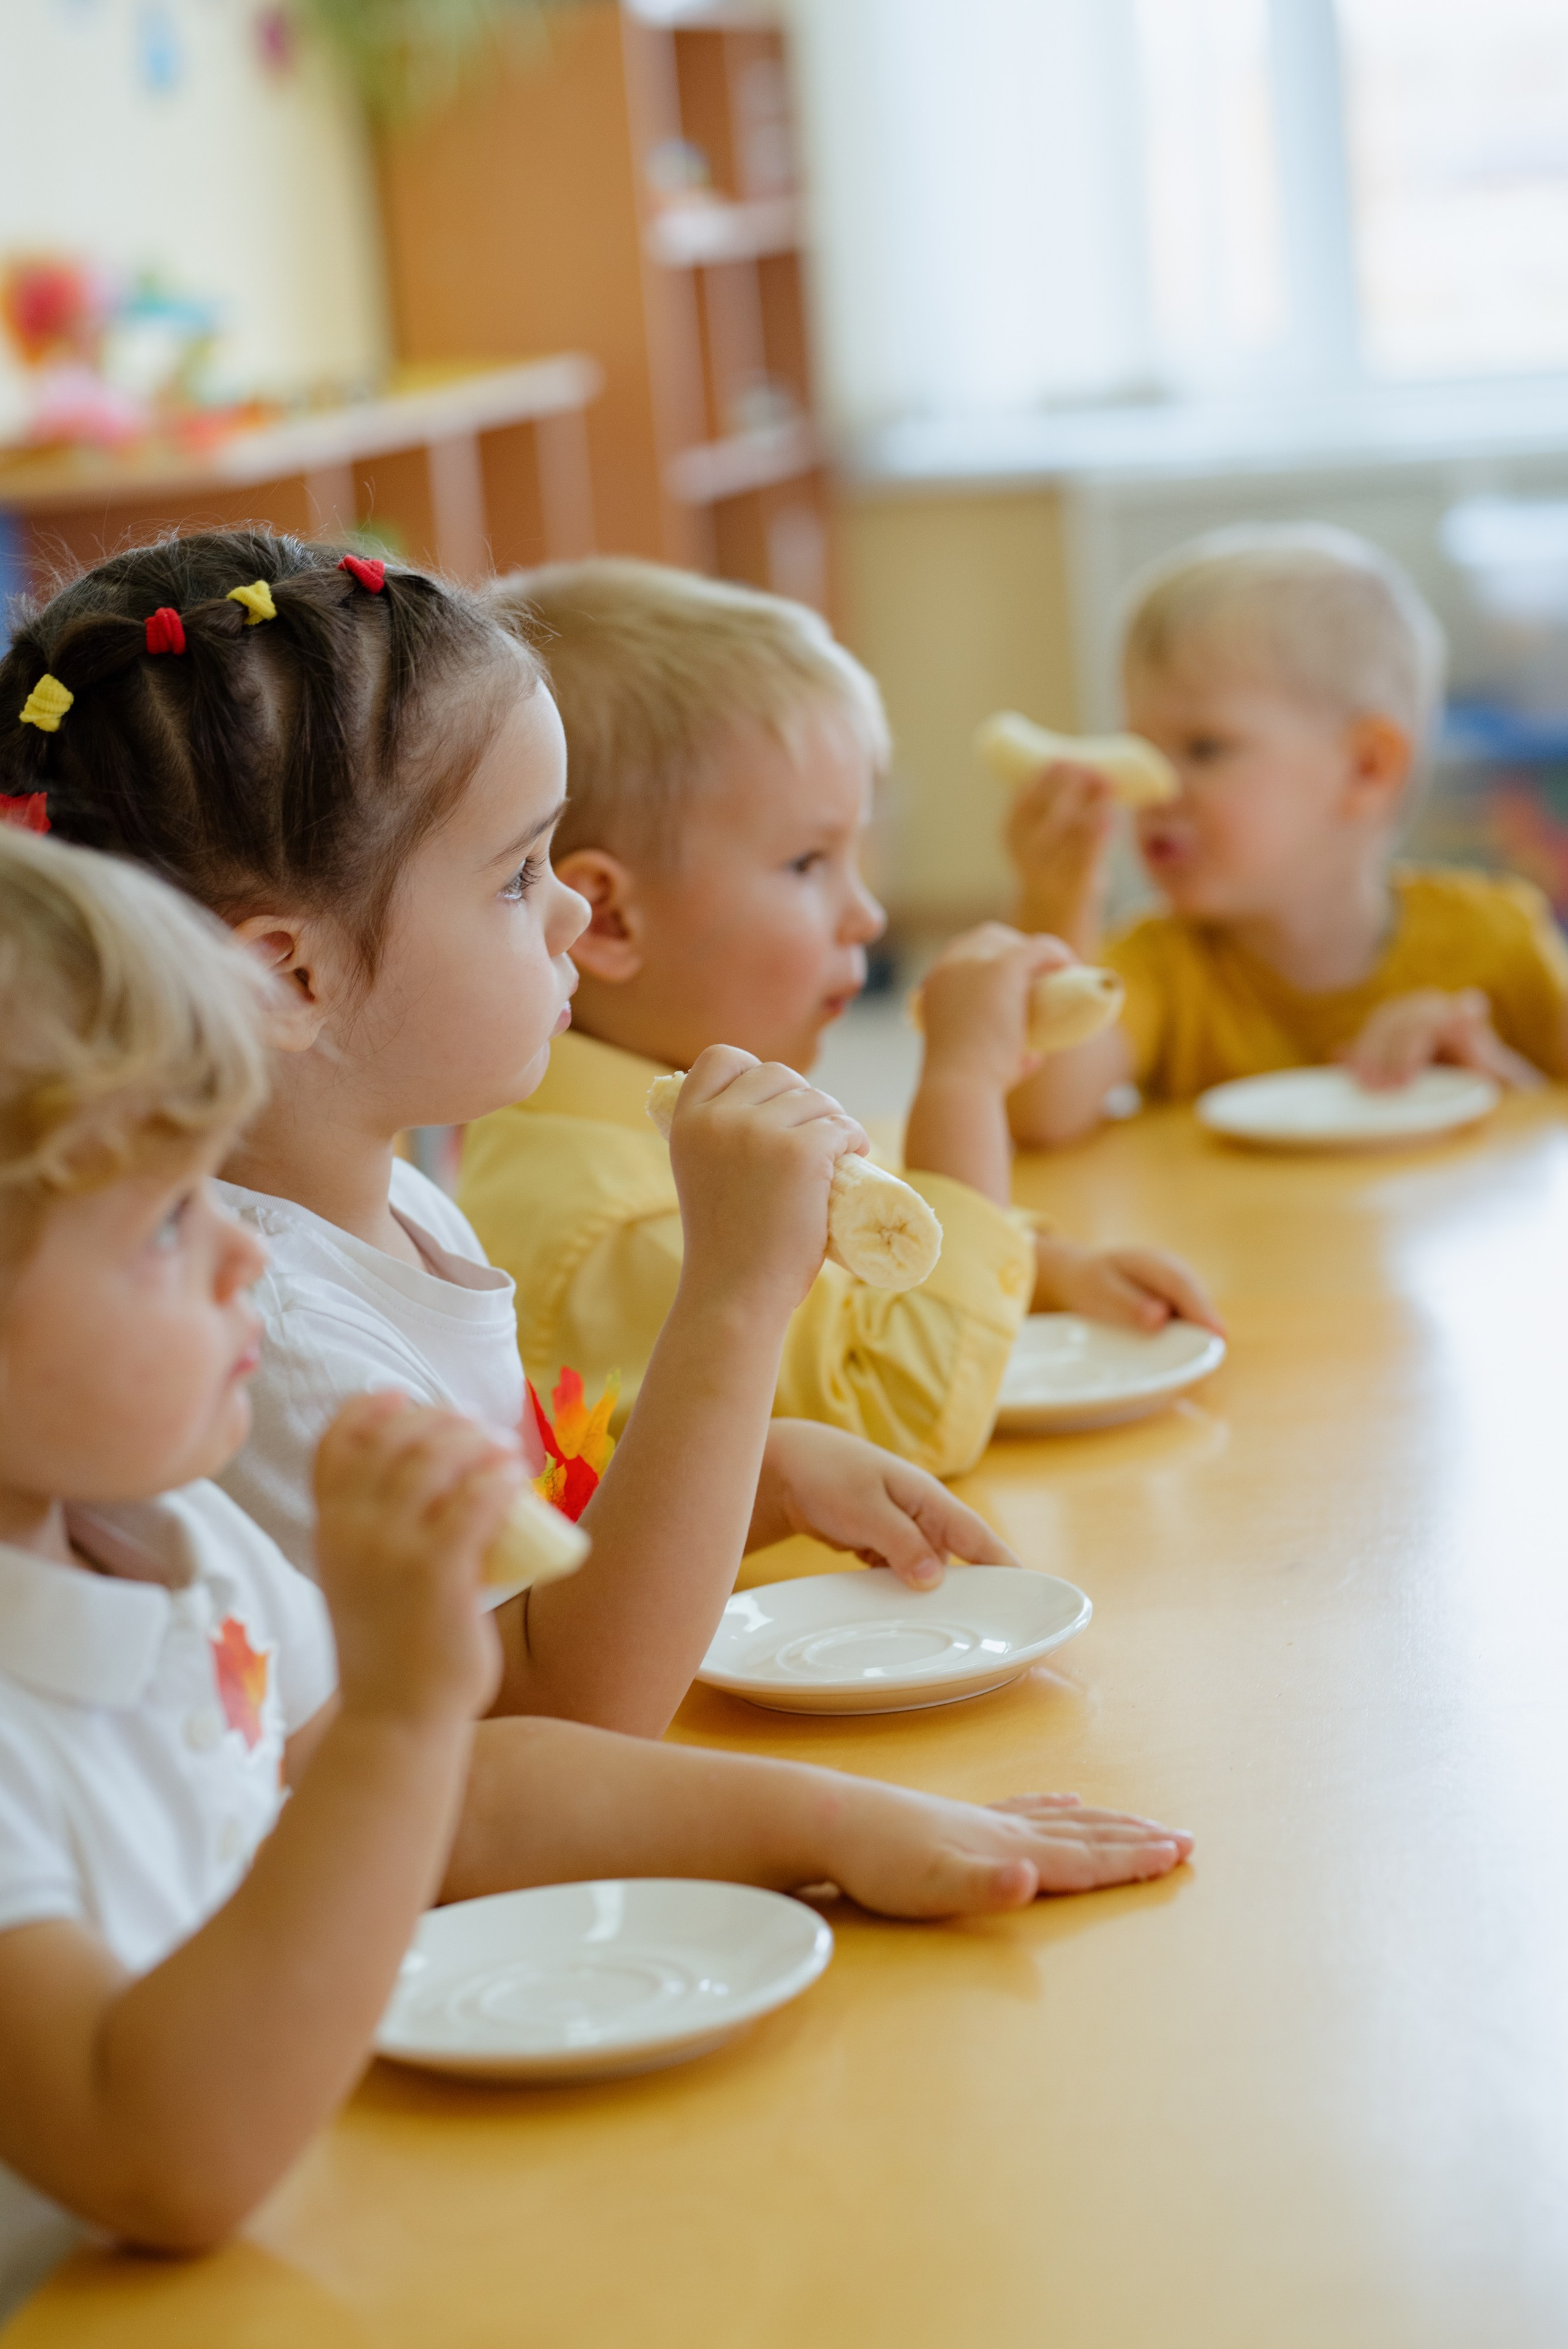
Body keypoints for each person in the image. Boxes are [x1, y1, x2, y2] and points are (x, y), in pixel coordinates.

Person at [0, 824, 1194, 2311]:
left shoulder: (184, 1549)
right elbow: (162, 2153)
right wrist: (397, 1714)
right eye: (167, 1219)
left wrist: (833, 1822)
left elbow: (461, 1796)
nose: (244, 1253)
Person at [0, 530, 1019, 1743]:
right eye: (516, 875)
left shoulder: (396, 1198)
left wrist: (766, 1472)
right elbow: (554, 1702)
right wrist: (734, 1300)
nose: (574, 910)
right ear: (285, 979)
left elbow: (530, 1538)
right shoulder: (274, 1331)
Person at [459, 560, 1218, 1480]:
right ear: (610, 919)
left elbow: (845, 1260)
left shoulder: (707, 1112)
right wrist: (963, 1083)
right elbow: (907, 1410)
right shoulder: (621, 1223)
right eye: (809, 862)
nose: (865, 913)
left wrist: (1045, 1266)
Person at [1004, 524, 1568, 1147]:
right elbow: (1039, 1118)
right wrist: (1056, 905)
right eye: (1139, 750)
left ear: (1365, 768)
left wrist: (1498, 1077)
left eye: (1204, 748)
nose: (1155, 789)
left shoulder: (1497, 944)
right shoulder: (1162, 966)